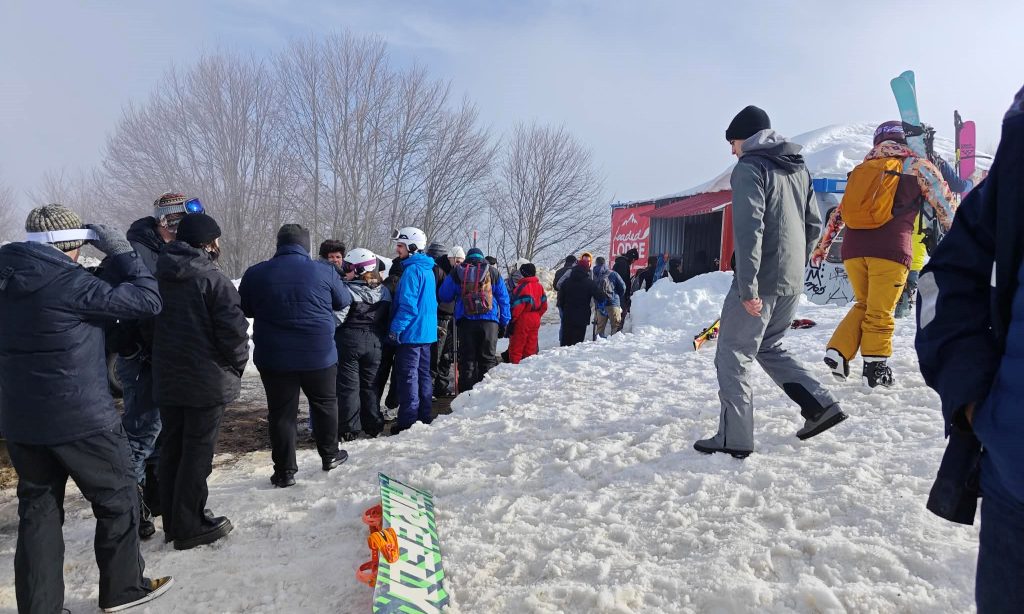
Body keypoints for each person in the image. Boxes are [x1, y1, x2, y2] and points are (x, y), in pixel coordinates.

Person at [0, 205, 173, 612]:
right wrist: (123, 253)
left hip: (22, 420)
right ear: (73, 243)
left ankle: (40, 607)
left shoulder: (7, 276)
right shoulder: (70, 283)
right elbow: (149, 300)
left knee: (39, 511)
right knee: (118, 496)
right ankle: (124, 589)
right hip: (82, 418)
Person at [915, 85, 1024, 613]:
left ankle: (857, 362)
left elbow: (946, 274)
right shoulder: (1018, 145)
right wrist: (974, 398)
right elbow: (946, 216)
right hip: (1013, 472)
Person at [694, 105, 847, 458]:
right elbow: (814, 225)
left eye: (732, 143)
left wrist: (748, 286)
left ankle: (734, 437)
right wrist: (795, 266)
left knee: (732, 353)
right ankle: (821, 406)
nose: (732, 151)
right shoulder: (797, 167)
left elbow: (750, 228)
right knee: (769, 346)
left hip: (760, 280)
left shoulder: (750, 167)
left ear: (746, 139)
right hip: (790, 280)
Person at [812, 121, 955, 389]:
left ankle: (839, 351)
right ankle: (875, 371)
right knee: (881, 311)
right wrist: (960, 235)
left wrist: (823, 247)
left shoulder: (861, 170)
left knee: (866, 304)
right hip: (890, 250)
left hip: (853, 250)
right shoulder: (917, 166)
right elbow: (944, 203)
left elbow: (838, 215)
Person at [152, 213, 248, 550]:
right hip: (206, 380)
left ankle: (175, 519)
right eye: (216, 239)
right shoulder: (212, 280)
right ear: (208, 243)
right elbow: (234, 333)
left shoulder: (157, 274)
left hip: (168, 378)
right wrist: (237, 366)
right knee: (196, 453)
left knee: (172, 449)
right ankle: (189, 525)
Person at [112, 192, 203, 538]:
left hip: (165, 354)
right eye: (180, 223)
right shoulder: (136, 252)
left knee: (163, 433)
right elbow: (129, 305)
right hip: (142, 356)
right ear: (166, 222)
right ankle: (130, 512)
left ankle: (156, 498)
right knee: (141, 433)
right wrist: (135, 345)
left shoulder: (167, 249)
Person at [238, 224, 351, 488]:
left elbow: (245, 308)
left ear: (279, 244)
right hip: (319, 354)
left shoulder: (256, 272)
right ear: (306, 246)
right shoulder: (324, 270)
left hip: (275, 356)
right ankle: (330, 455)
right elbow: (343, 300)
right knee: (325, 403)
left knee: (281, 413)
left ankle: (284, 472)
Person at [336, 248, 391, 441]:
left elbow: (338, 318)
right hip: (375, 342)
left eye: (348, 267)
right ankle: (373, 425)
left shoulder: (347, 290)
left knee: (349, 386)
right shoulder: (384, 291)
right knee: (371, 385)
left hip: (349, 341)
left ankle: (349, 428)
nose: (345, 270)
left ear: (358, 269)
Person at [439, 247, 512, 391]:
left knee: (467, 361)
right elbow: (504, 299)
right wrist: (504, 322)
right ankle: (486, 395)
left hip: (466, 322)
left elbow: (444, 295)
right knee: (488, 360)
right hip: (490, 322)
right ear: (482, 257)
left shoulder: (458, 271)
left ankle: (467, 396)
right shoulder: (493, 272)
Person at [388, 227, 438, 433]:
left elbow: (408, 306)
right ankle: (424, 416)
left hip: (412, 333)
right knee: (423, 374)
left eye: (400, 245)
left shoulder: (411, 271)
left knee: (409, 377)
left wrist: (395, 329)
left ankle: (408, 421)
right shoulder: (427, 269)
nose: (397, 249)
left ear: (412, 247)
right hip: (426, 333)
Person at [427, 242, 457, 398]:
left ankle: (431, 388)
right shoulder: (451, 269)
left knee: (436, 354)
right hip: (449, 315)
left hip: (440, 316)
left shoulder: (435, 269)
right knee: (444, 354)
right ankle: (439, 386)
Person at [557, 256, 608, 346]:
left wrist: (564, 309)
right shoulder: (589, 283)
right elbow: (600, 297)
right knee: (577, 343)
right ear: (586, 270)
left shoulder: (566, 282)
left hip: (568, 316)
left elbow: (560, 299)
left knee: (565, 343)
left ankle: (563, 354)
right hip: (582, 317)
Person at [375, 258, 404, 412]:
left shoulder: (386, 285)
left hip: (384, 333)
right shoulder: (405, 284)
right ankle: (392, 404)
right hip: (401, 333)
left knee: (381, 371)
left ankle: (374, 404)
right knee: (398, 372)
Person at [508, 261, 548, 363]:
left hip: (522, 318)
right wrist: (537, 316)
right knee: (531, 346)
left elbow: (517, 307)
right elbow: (544, 306)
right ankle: (528, 367)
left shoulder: (521, 287)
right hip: (535, 318)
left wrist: (512, 321)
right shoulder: (539, 287)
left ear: (524, 273)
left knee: (517, 346)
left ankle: (515, 367)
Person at [592, 256, 626, 338]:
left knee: (600, 328)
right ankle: (614, 344)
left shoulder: (594, 275)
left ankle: (598, 344)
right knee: (616, 327)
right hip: (613, 303)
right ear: (605, 263)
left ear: (596, 263)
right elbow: (623, 287)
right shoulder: (613, 273)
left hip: (600, 305)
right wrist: (617, 296)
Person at [554, 254, 577, 345]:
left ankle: (562, 341)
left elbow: (555, 286)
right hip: (571, 301)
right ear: (574, 262)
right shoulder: (574, 271)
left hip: (561, 300)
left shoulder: (559, 271)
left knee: (563, 322)